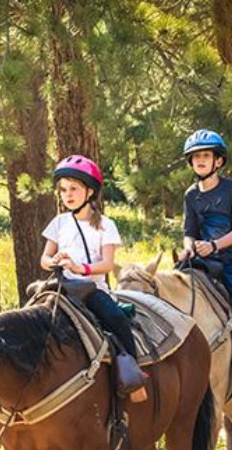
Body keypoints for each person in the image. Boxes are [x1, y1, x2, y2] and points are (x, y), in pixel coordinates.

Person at [41, 155, 148, 402]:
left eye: (74, 189)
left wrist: (80, 269)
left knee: (117, 320)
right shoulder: (58, 223)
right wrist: (53, 261)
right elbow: (44, 258)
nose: (67, 195)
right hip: (59, 288)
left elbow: (108, 264)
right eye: (63, 189)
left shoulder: (105, 225)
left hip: (91, 291)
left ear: (90, 191)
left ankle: (133, 378)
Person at [178, 129, 232, 388]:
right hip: (204, 258)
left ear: (219, 161)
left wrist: (214, 244)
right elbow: (189, 232)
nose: (200, 161)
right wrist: (189, 248)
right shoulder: (190, 195)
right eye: (195, 157)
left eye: (206, 156)